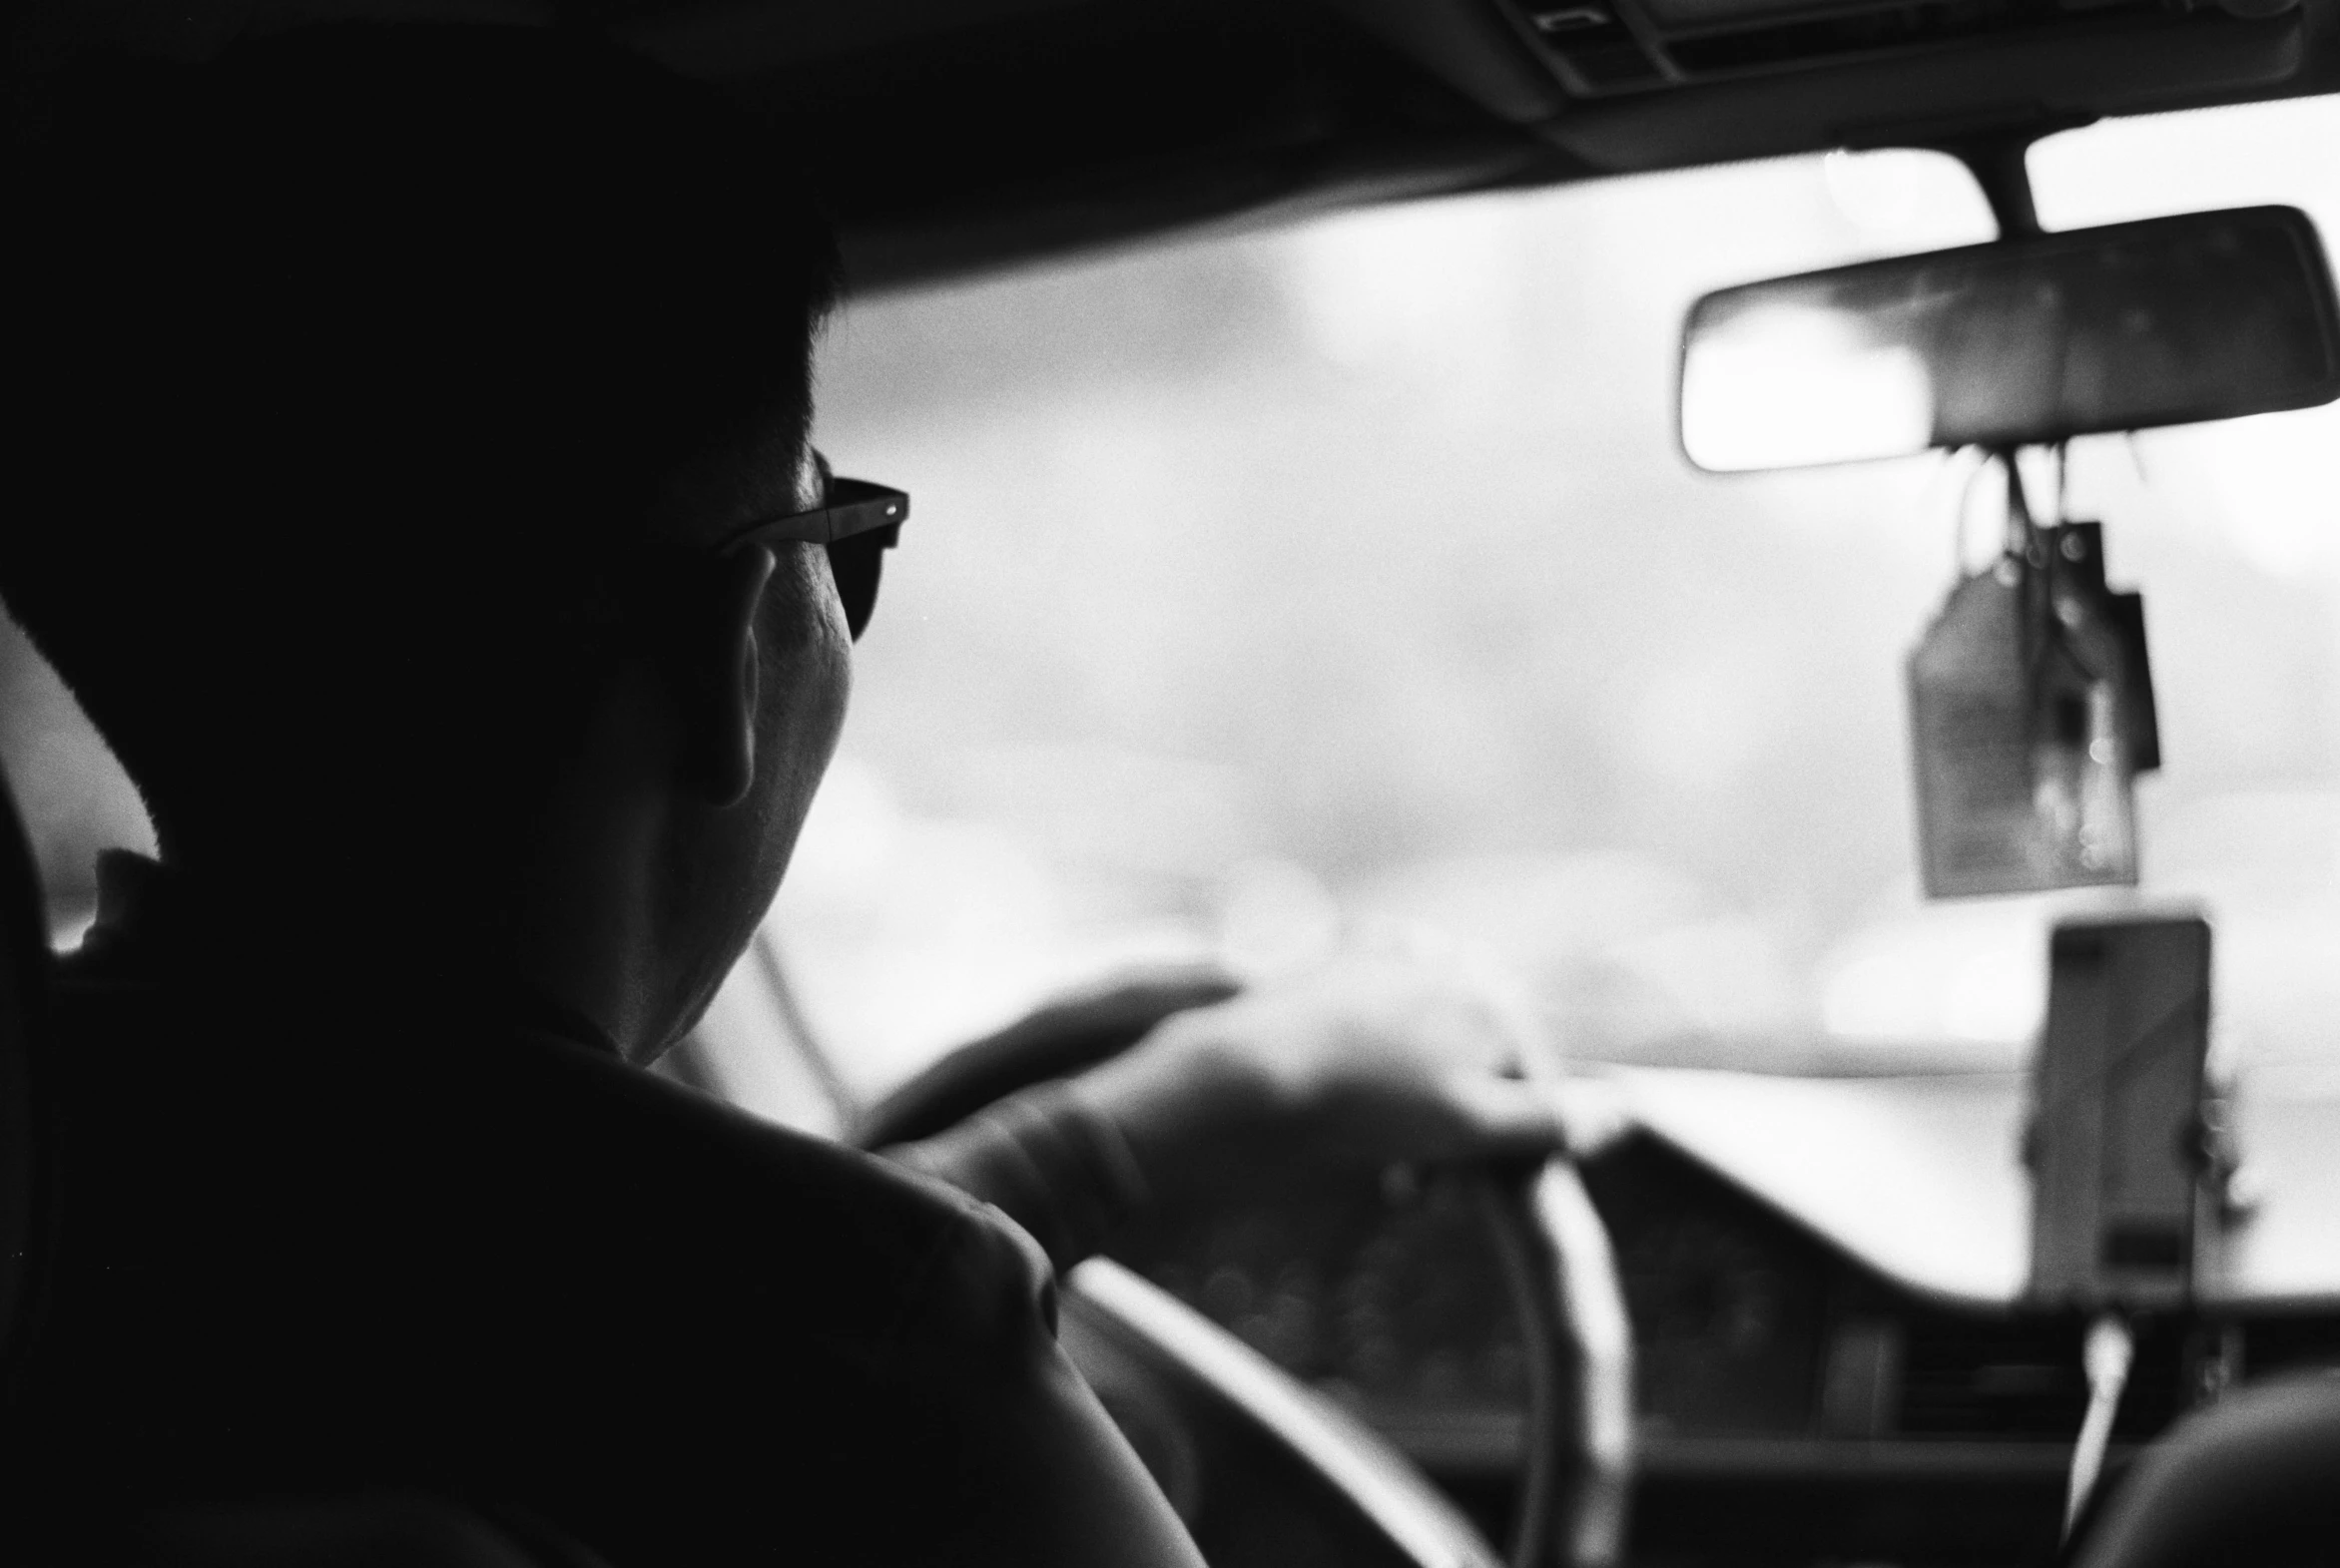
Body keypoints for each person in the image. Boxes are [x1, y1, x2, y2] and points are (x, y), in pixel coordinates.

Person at [2, 22, 1562, 1564]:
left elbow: (560, 1292)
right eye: (837, 535)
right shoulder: (897, 1396)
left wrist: (1139, 1137)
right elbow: (687, 1309)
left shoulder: (58, 1166)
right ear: (731, 647)